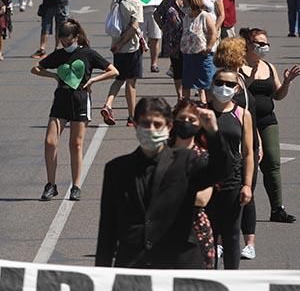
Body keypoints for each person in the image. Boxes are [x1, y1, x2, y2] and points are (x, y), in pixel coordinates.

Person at [95, 97, 230, 269]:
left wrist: (213, 132)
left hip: (177, 264)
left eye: (157, 125)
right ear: (135, 125)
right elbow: (108, 227)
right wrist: (102, 274)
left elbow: (221, 171)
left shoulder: (187, 161)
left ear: (169, 126)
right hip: (134, 265)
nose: (151, 130)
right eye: (145, 124)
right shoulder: (117, 169)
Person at [32, 19, 118, 201]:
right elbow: (36, 68)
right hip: (61, 100)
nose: (66, 44)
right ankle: (51, 184)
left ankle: (76, 186)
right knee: (50, 142)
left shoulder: (87, 54)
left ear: (76, 37)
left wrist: (94, 80)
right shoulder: (59, 55)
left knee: (75, 144)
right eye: (63, 41)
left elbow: (113, 71)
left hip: (80, 99)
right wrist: (54, 75)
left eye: (69, 41)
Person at [239, 27, 300, 224]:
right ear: (248, 45)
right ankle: (243, 207)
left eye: (266, 44)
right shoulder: (238, 66)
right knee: (248, 164)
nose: (264, 47)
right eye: (259, 43)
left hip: (267, 119)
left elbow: (278, 96)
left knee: (273, 163)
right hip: (246, 121)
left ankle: (278, 209)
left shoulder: (268, 66)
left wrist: (287, 83)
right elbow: (238, 94)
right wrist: (250, 77)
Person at [206, 69, 255, 270]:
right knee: (207, 235)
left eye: (229, 84)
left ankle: (231, 279)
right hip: (205, 182)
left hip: (232, 182)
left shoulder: (242, 114)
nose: (223, 88)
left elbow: (248, 153)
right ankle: (207, 278)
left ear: (236, 89)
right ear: (212, 84)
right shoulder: (202, 112)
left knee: (232, 235)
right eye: (219, 82)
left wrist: (247, 185)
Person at [169, 99, 217, 269]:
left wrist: (163, 192)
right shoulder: (160, 153)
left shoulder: (204, 157)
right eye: (182, 118)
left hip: (194, 228)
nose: (186, 123)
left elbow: (202, 199)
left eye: (192, 120)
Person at [101, 0, 143, 126]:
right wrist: (122, 43)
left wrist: (117, 43)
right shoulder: (135, 1)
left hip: (116, 43)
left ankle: (108, 104)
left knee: (119, 78)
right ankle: (132, 117)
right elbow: (134, 26)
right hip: (130, 47)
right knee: (131, 83)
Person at [154, 0, 189, 100]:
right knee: (177, 69)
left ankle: (188, 95)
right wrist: (163, 27)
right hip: (173, 42)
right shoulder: (168, 0)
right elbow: (157, 14)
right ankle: (180, 96)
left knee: (189, 69)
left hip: (189, 40)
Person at [179, 0, 219, 103]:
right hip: (188, 54)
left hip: (202, 55)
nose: (184, 7)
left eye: (186, 4)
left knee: (205, 83)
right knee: (186, 83)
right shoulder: (186, 17)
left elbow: (213, 33)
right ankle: (186, 104)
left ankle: (206, 104)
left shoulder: (204, 16)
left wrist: (209, 47)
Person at [135, 0, 166, 72]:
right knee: (139, 39)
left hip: (154, 11)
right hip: (140, 12)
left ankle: (154, 64)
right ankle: (138, 64)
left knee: (154, 38)